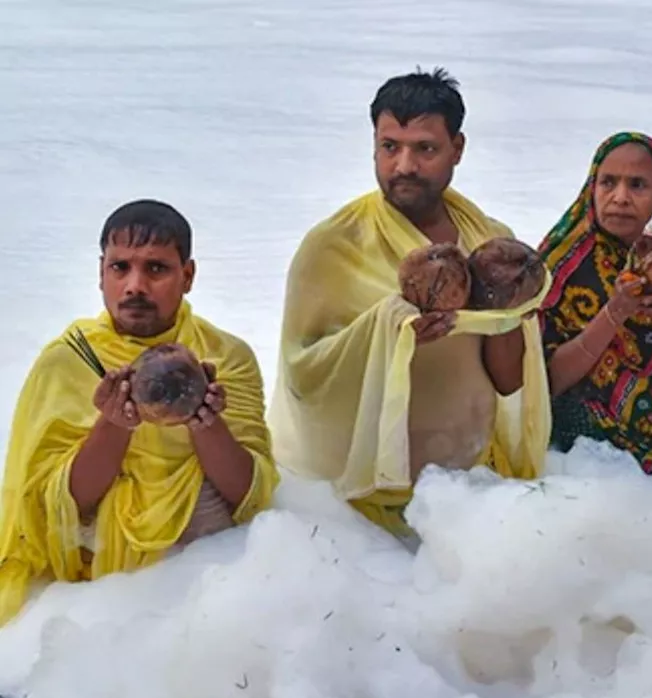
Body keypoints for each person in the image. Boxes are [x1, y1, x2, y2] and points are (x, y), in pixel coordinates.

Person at [269, 69, 550, 540]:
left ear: (457, 149)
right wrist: (388, 327)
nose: (404, 166)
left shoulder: (489, 241)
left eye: (425, 148)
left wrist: (501, 313)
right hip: (359, 504)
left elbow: (506, 381)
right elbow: (302, 374)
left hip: (463, 488)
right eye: (389, 147)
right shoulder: (333, 246)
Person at [0, 200, 278, 626]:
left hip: (199, 566)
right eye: (120, 268)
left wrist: (205, 422)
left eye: (156, 269)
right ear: (100, 274)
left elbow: (248, 497)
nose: (135, 286)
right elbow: (57, 509)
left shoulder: (227, 356)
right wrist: (114, 424)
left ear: (187, 276)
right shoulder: (69, 358)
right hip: (96, 578)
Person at [538, 132, 652, 482]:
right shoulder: (559, 268)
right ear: (591, 188)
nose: (620, 198)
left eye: (638, 185)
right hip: (573, 458)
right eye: (608, 183)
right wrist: (615, 313)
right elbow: (546, 380)